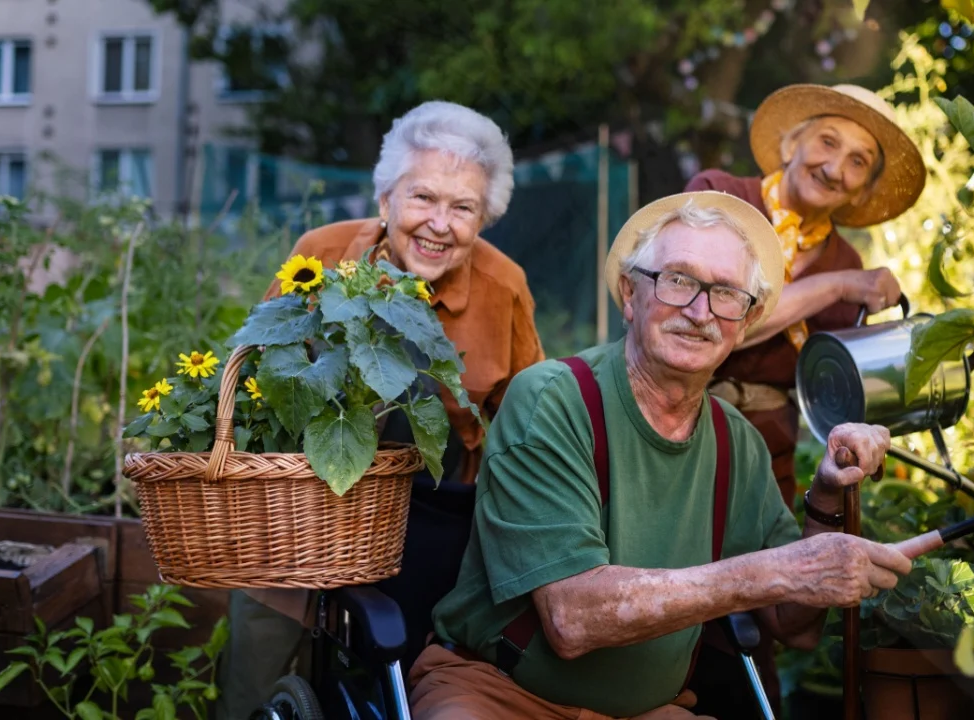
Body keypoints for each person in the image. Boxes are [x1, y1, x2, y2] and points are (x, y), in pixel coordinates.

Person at [407, 191, 912, 719]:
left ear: (746, 319)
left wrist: (828, 495)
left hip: (649, 711)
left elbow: (794, 625)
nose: (700, 312)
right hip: (499, 694)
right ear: (630, 294)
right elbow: (572, 620)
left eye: (726, 294)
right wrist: (775, 570)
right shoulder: (552, 399)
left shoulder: (737, 441)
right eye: (677, 280)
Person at [216, 100, 545, 720]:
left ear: (485, 218)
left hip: (431, 538)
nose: (439, 224)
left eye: (463, 207)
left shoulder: (504, 288)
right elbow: (256, 370)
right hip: (303, 510)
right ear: (386, 199)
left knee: (397, 696)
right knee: (251, 679)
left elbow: (531, 422)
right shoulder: (321, 254)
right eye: (422, 198)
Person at [685, 83, 926, 509]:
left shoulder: (845, 258)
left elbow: (837, 391)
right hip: (678, 422)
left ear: (862, 190)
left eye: (857, 162)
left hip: (765, 454)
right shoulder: (720, 198)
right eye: (827, 143)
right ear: (792, 144)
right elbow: (714, 320)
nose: (834, 169)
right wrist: (838, 286)